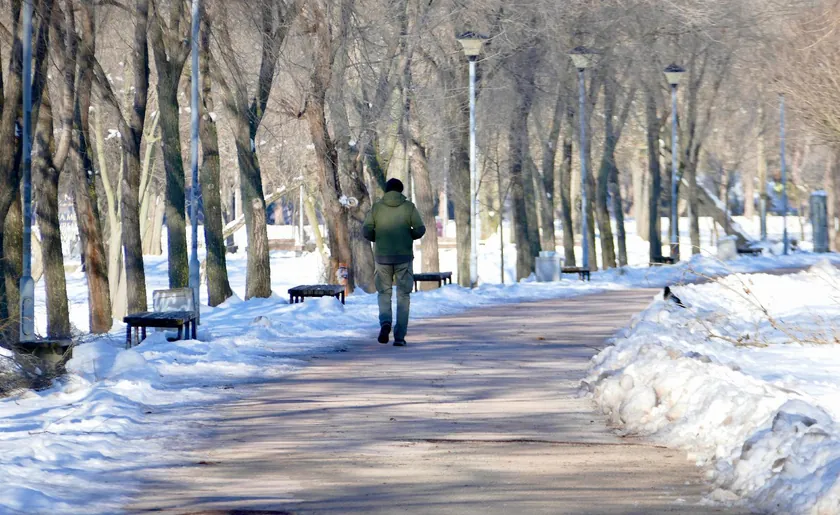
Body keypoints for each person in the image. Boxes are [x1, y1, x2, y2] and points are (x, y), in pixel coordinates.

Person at [362, 178, 425, 346]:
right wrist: (407, 237)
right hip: (404, 258)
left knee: (384, 293)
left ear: (387, 191)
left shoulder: (376, 208)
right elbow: (420, 229)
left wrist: (378, 239)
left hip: (382, 258)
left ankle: (385, 323)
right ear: (400, 191)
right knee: (403, 295)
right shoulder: (409, 207)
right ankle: (399, 337)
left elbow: (366, 230)